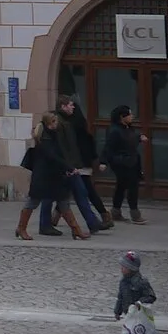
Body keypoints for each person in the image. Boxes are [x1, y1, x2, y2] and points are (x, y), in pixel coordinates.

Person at [16, 112, 87, 240]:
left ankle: (76, 230)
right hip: (43, 177)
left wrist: (66, 169)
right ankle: (21, 228)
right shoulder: (45, 139)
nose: (57, 124)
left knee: (64, 202)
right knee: (33, 202)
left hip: (54, 177)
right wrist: (69, 167)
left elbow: (58, 157)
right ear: (49, 124)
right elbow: (53, 157)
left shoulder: (52, 136)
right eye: (54, 121)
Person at [57, 95, 109, 232]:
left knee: (75, 192)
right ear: (63, 106)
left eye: (73, 105)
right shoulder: (66, 123)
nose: (72, 107)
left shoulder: (72, 124)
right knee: (74, 193)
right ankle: (96, 220)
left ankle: (94, 221)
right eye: (70, 104)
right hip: (73, 164)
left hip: (76, 164)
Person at [107, 105, 148, 226]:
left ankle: (115, 211)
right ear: (122, 117)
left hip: (132, 161)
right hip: (122, 163)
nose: (132, 117)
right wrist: (105, 161)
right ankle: (135, 214)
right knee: (132, 187)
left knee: (121, 186)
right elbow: (109, 148)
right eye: (129, 114)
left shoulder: (128, 128)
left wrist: (139, 137)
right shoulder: (114, 130)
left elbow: (131, 139)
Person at [119, 251, 159, 334]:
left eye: (124, 267)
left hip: (141, 318)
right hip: (130, 317)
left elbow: (151, 296)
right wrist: (117, 311)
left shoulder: (142, 282)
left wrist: (140, 302)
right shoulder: (123, 282)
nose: (121, 269)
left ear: (131, 268)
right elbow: (120, 297)